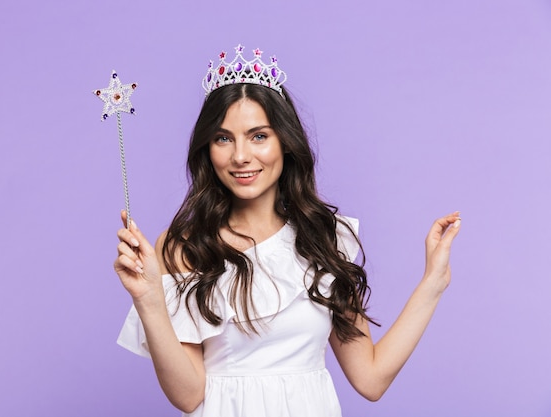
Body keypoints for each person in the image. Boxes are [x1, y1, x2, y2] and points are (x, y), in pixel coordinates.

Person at [113, 45, 461, 417]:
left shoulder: (324, 238)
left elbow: (370, 378)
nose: (241, 156)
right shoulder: (186, 245)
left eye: (258, 135)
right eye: (223, 138)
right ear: (208, 148)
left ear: (285, 141)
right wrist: (149, 300)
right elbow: (188, 395)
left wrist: (433, 282)